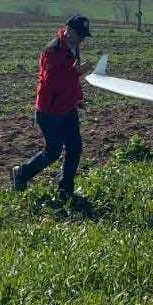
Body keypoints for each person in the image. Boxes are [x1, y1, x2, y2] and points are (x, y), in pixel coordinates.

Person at [13, 15, 95, 201]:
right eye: (80, 34)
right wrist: (75, 72)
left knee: (75, 148)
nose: (82, 39)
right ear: (68, 30)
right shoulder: (52, 50)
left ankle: (65, 191)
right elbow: (51, 82)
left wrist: (77, 98)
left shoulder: (73, 47)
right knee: (53, 151)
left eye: (84, 35)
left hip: (68, 108)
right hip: (49, 111)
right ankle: (21, 173)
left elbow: (71, 81)